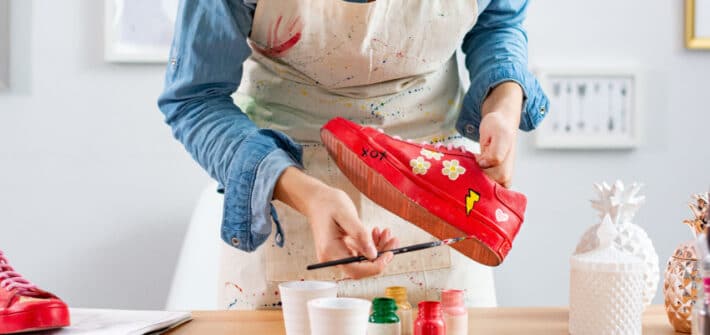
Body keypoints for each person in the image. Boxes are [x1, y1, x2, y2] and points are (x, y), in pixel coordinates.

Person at [158, 0, 548, 309]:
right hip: (289, 200)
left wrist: (503, 104)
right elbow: (195, 98)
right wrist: (306, 195)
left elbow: (497, 23)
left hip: (438, 197)